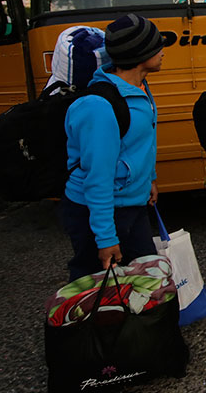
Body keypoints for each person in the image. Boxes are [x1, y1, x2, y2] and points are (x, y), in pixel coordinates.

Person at [61, 14, 164, 281]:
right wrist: (105, 237)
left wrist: (149, 180)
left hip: (132, 203)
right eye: (157, 45)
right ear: (140, 53)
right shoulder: (99, 106)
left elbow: (141, 144)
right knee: (94, 283)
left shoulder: (138, 87)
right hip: (98, 209)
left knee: (146, 274)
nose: (162, 50)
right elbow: (98, 178)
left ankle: (143, 322)